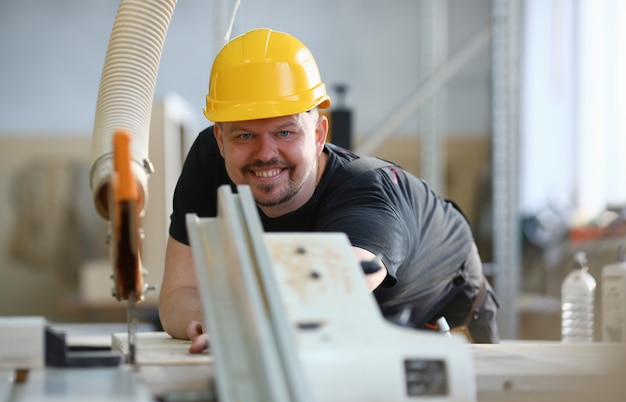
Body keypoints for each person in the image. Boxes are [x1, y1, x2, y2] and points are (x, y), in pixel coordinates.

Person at [158, 28, 499, 353]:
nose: (265, 153)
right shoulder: (208, 160)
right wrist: (212, 321)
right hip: (346, 330)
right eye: (244, 135)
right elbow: (177, 296)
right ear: (219, 139)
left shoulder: (367, 197)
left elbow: (330, 297)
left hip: (449, 321)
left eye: (285, 132)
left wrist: (238, 325)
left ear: (320, 134)